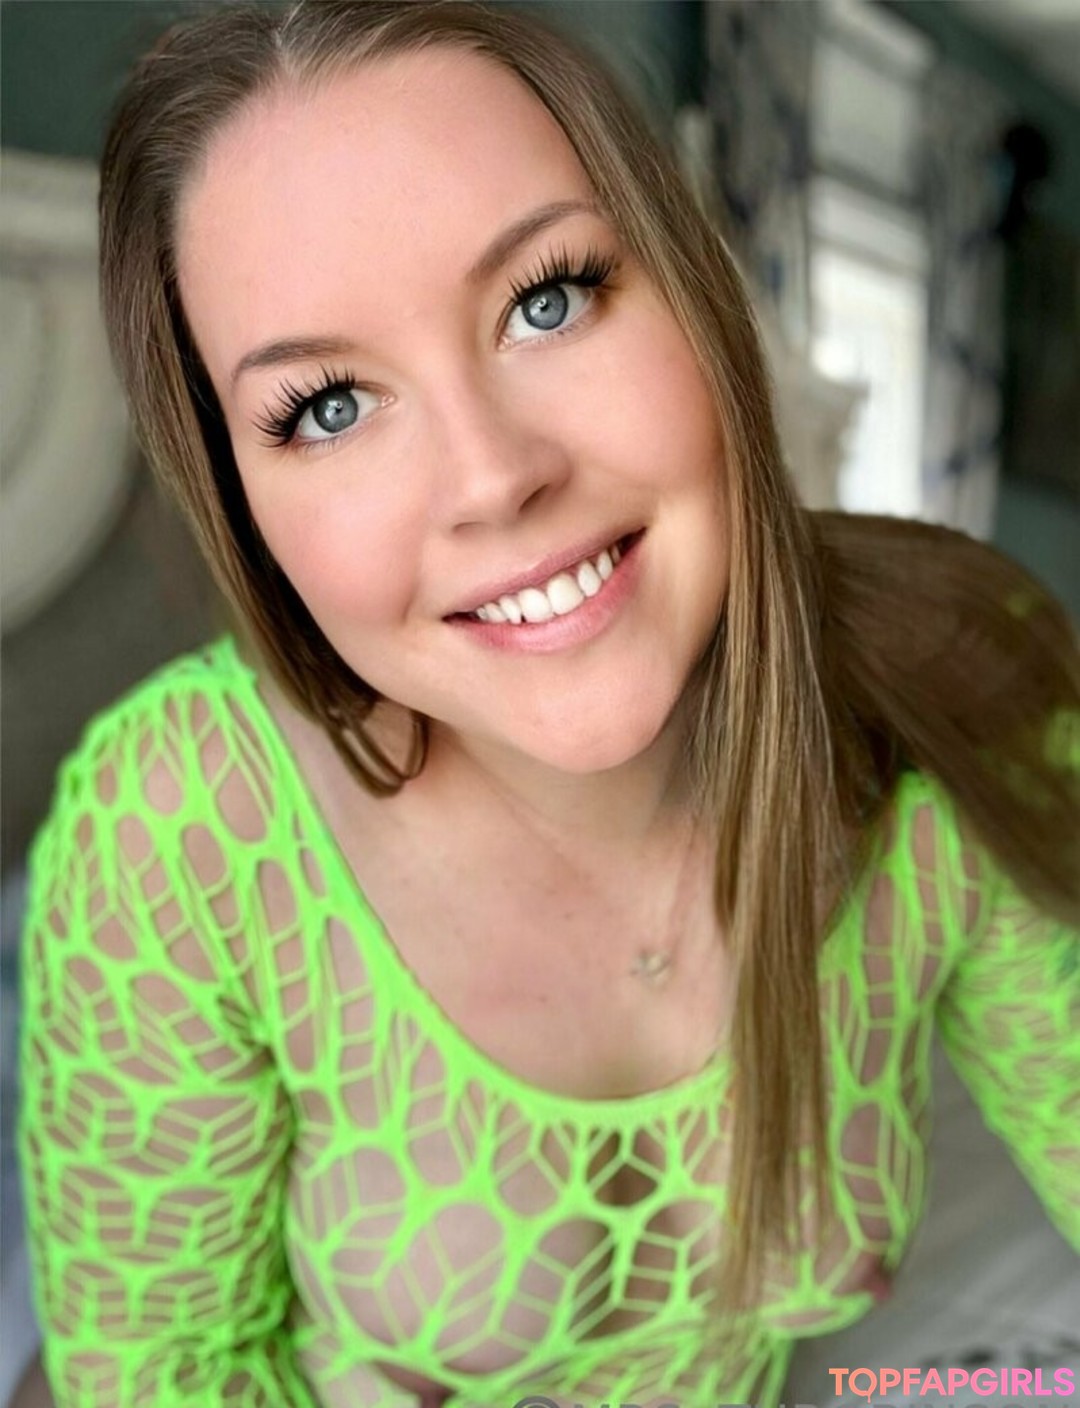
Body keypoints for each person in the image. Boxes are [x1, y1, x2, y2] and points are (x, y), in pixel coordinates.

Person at [16, 2, 1079, 1406]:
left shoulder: (959, 680)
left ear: (700, 292)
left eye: (548, 299)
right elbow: (155, 1379)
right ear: (242, 505)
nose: (492, 477)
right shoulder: (179, 822)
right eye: (328, 405)